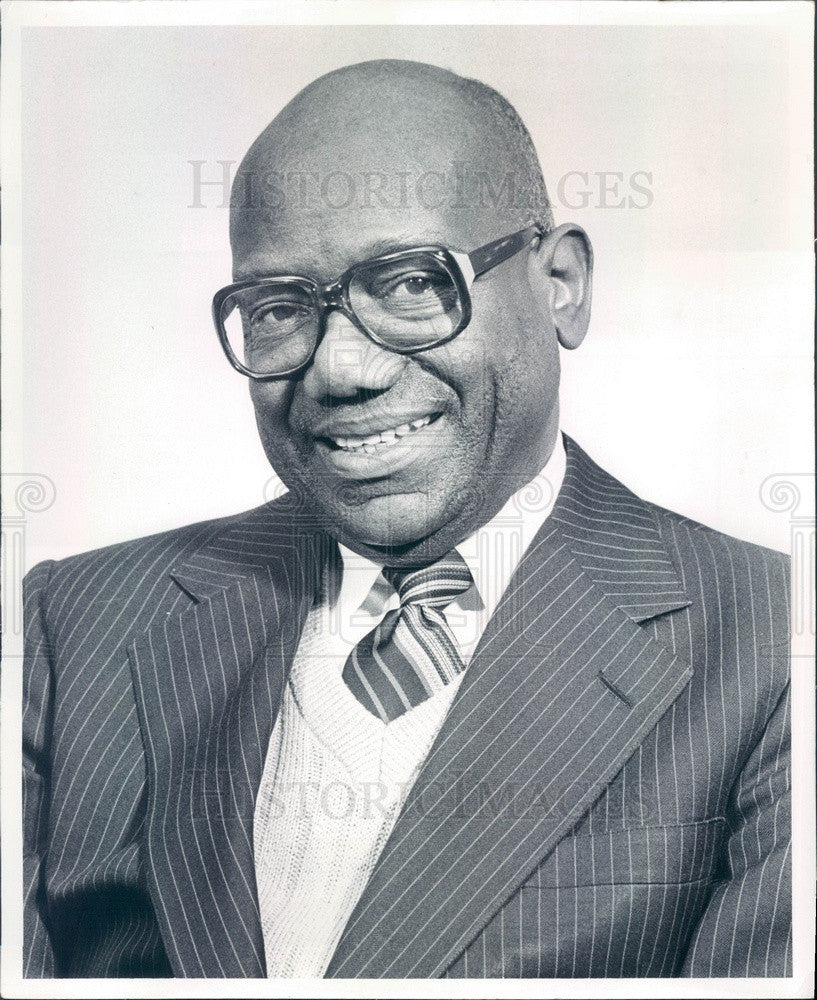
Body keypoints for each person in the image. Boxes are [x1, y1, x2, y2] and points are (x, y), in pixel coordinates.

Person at [23, 59, 791, 979]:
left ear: (561, 284)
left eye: (412, 284)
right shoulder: (74, 624)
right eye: (279, 308)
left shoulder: (772, 643)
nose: (341, 368)